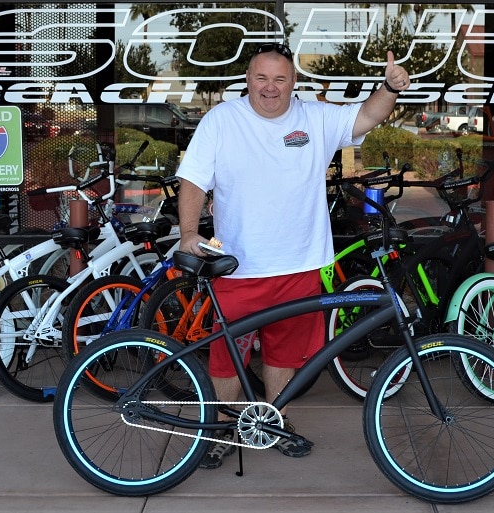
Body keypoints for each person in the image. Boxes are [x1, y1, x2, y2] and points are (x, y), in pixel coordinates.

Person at [174, 42, 411, 469]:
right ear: (247, 80)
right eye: (261, 78)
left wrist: (390, 88)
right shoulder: (222, 121)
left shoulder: (315, 118)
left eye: (280, 78)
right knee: (229, 356)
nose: (270, 87)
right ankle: (223, 429)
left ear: (293, 82)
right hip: (239, 268)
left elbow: (369, 115)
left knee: (284, 355)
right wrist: (189, 233)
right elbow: (193, 180)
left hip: (300, 265)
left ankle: (274, 421)